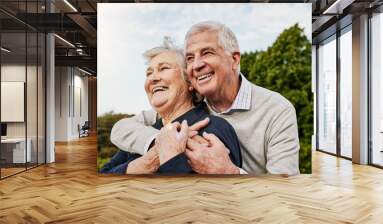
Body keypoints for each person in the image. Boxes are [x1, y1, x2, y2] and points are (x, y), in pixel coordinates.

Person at [111, 21, 300, 175]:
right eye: (190, 58)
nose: (197, 64)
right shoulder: (185, 110)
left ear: (234, 59)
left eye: (207, 52)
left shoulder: (277, 109)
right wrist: (160, 143)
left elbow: (283, 188)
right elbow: (121, 129)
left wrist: (229, 172)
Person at [100, 37, 242, 174]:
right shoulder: (143, 135)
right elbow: (103, 175)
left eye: (164, 68)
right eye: (149, 73)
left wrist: (172, 158)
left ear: (189, 82)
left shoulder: (213, 129)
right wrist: (147, 162)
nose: (153, 78)